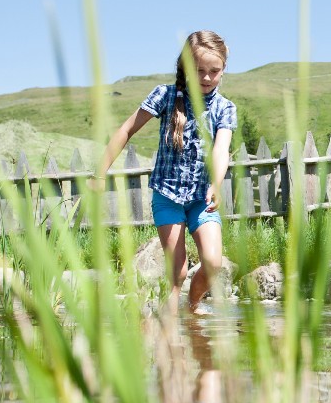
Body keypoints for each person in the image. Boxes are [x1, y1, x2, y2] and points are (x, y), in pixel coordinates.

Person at [99, 31, 237, 311]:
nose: (207, 78)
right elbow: (127, 129)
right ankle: (170, 331)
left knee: (212, 263)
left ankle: (192, 308)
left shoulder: (225, 108)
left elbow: (221, 150)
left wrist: (216, 183)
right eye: (199, 70)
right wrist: (99, 173)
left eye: (214, 71)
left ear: (223, 70)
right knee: (179, 272)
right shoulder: (165, 95)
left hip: (201, 198)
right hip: (168, 195)